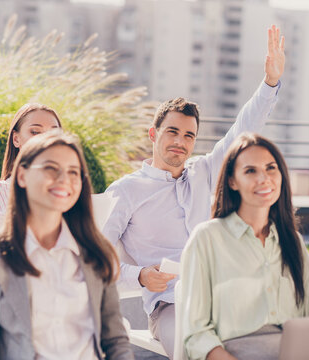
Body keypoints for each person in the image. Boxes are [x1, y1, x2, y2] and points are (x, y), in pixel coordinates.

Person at [102, 25, 285, 358]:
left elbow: (243, 129)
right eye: (172, 132)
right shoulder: (126, 191)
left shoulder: (205, 170)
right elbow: (95, 254)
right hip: (171, 306)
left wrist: (270, 82)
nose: (180, 142)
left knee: (280, 341)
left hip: (223, 297)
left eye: (188, 136)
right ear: (152, 134)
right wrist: (139, 276)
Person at [0, 131, 133, 360]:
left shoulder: (96, 252)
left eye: (74, 172)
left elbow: (116, 342)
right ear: (22, 175)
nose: (64, 179)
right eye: (51, 168)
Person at [178, 133, 309, 360]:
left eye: (271, 168)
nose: (264, 178)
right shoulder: (207, 239)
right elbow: (195, 334)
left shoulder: (293, 242)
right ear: (232, 181)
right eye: (250, 171)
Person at [0, 103, 61, 239]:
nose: (46, 140)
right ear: (16, 139)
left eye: (53, 133)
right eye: (35, 132)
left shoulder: (69, 192)